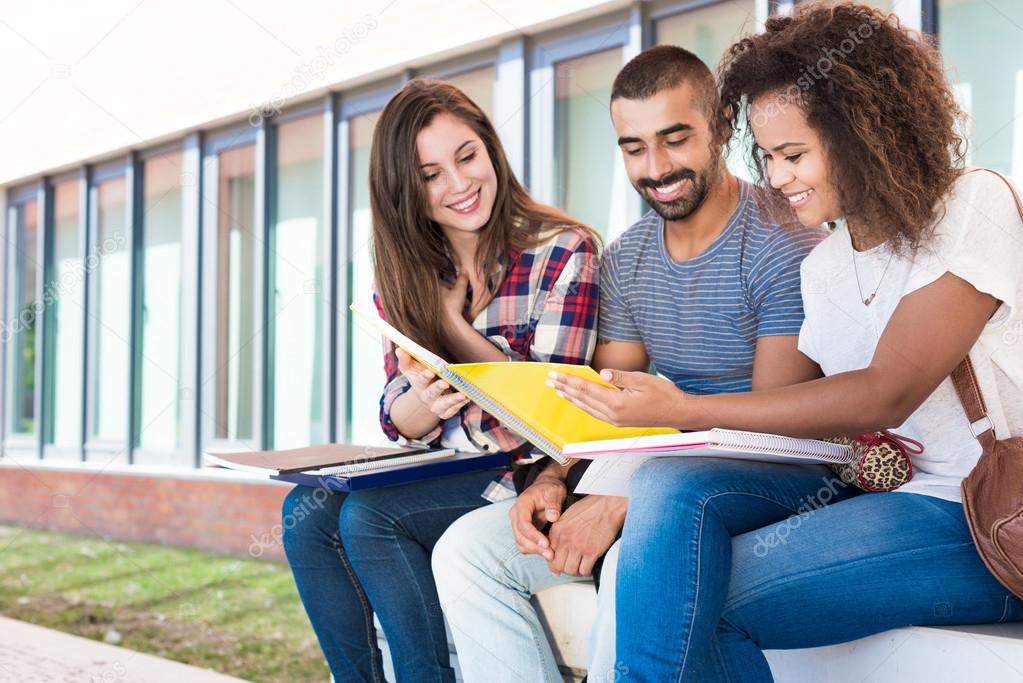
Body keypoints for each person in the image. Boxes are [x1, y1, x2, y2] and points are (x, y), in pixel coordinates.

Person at [547, 4, 1023, 681]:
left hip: (986, 519)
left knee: (699, 605)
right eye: (766, 157)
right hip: (884, 496)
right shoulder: (821, 268)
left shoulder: (972, 208)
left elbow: (884, 391)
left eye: (793, 155)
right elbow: (819, 424)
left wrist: (683, 408)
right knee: (671, 483)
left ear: (861, 136)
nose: (775, 178)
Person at [432, 46, 826, 682]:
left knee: (633, 562)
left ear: (723, 124)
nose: (657, 167)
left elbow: (770, 432)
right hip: (653, 468)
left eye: (675, 139)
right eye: (634, 147)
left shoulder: (784, 243)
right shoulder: (625, 259)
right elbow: (602, 402)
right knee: (467, 551)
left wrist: (623, 499)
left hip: (764, 473)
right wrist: (557, 479)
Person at [281, 79, 600, 683]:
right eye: (430, 174)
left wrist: (453, 325)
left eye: (467, 157)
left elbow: (555, 409)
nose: (458, 184)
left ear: (490, 150)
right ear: (406, 190)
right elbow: (392, 412)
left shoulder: (562, 250)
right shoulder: (403, 272)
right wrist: (422, 403)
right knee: (307, 510)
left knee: (369, 519)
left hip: (525, 470)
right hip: (440, 466)